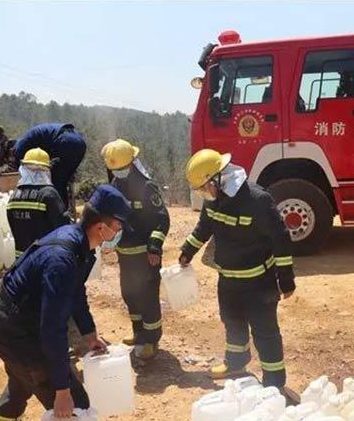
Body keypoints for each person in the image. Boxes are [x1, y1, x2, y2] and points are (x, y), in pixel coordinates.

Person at [0, 184, 131, 421]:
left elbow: (76, 292)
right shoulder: (62, 260)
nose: (119, 232)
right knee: (77, 407)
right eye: (118, 226)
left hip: (9, 319)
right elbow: (52, 329)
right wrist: (62, 391)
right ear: (100, 227)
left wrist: (89, 333)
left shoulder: (79, 245)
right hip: (16, 331)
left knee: (22, 383)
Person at [179, 149, 295, 391]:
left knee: (265, 333)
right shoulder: (214, 199)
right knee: (233, 324)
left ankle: (274, 383)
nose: (203, 194)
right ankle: (236, 364)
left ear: (218, 179)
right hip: (228, 281)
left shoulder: (257, 200)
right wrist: (187, 250)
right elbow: (204, 227)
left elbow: (280, 240)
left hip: (258, 284)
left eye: (204, 188)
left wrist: (286, 279)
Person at [100, 139, 170, 360]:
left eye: (121, 169)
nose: (118, 173)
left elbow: (162, 219)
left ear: (131, 163)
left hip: (145, 255)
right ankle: (139, 334)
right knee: (130, 294)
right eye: (114, 170)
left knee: (148, 297)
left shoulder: (147, 186)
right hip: (126, 255)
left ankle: (151, 340)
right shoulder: (113, 187)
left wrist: (154, 247)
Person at [7, 148, 70, 258]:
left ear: (24, 169)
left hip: (21, 262)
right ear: (45, 170)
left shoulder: (14, 196)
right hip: (44, 260)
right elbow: (63, 226)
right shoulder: (48, 193)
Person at [14, 123, 86, 209]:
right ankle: (63, 212)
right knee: (62, 182)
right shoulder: (32, 138)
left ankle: (57, 215)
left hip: (64, 141)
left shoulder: (19, 148)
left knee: (55, 182)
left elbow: (21, 167)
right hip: (79, 142)